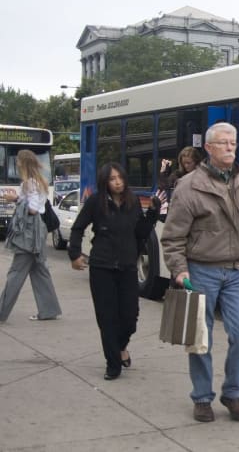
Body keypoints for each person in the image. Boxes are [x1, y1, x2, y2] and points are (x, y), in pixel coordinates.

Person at [160, 122, 239, 423]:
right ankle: (201, 397)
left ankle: (233, 392)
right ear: (209, 148)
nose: (229, 148)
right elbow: (173, 237)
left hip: (238, 271)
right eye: (223, 143)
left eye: (233, 143)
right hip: (201, 270)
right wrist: (179, 270)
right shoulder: (189, 186)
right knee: (201, 337)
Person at [67, 162, 160, 380]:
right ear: (105, 182)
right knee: (107, 318)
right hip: (102, 267)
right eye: (112, 179)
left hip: (127, 267)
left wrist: (153, 214)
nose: (117, 182)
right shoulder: (95, 202)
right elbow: (78, 228)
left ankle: (120, 347)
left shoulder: (133, 201)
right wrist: (75, 254)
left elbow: (140, 233)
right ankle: (113, 363)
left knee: (130, 317)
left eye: (120, 177)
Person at [0, 150, 62, 324]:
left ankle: (1, 311)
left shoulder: (29, 183)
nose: (17, 164)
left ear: (23, 163)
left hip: (29, 235)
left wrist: (16, 200)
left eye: (19, 161)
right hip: (37, 233)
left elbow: (33, 209)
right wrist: (17, 198)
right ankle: (49, 310)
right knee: (40, 272)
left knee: (16, 273)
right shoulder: (39, 182)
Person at [157, 146, 202, 219]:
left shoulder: (202, 175)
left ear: (196, 162)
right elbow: (164, 186)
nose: (186, 166)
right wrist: (163, 171)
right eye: (184, 163)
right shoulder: (178, 174)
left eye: (189, 163)